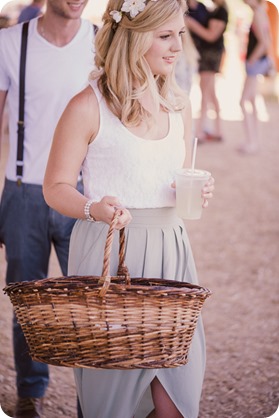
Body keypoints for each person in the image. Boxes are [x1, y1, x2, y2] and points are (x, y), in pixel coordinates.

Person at [43, 1, 215, 417]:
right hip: (109, 257)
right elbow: (55, 187)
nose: (177, 46)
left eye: (180, 34)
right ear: (134, 36)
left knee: (176, 399)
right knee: (113, 402)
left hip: (171, 256)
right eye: (164, 35)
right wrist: (93, 207)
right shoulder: (86, 106)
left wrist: (196, 188)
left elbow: (172, 180)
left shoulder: (179, 104)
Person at [0, 1, 96, 417]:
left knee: (91, 305)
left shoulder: (101, 41)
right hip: (24, 193)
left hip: (85, 196)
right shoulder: (8, 43)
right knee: (28, 305)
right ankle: (29, 393)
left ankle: (92, 399)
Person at [186, 0, 229, 142]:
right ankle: (218, 129)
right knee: (210, 91)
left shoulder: (221, 12)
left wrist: (191, 23)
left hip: (210, 55)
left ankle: (200, 131)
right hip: (206, 54)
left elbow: (211, 36)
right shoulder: (212, 9)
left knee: (205, 91)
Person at [238, 0, 274, 154]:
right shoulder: (261, 11)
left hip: (256, 63)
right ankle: (254, 141)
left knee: (243, 101)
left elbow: (264, 43)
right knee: (251, 100)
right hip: (259, 62)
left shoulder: (259, 13)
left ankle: (252, 142)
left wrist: (251, 60)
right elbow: (269, 40)